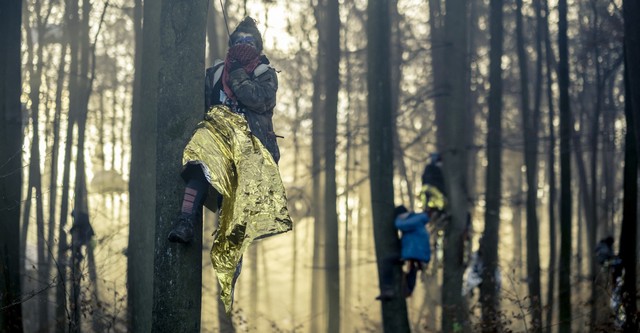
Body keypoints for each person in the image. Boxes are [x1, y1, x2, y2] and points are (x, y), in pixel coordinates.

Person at [166, 17, 291, 314]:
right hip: (217, 141)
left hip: (250, 149)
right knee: (200, 162)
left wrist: (237, 72)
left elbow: (257, 100)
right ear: (232, 44)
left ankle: (229, 270)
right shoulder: (214, 72)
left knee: (236, 214)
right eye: (239, 41)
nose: (244, 46)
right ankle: (185, 222)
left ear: (257, 47)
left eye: (250, 42)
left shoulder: (264, 74)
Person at [376, 205, 431, 300]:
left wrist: (398, 219)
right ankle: (407, 290)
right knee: (411, 270)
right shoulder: (415, 220)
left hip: (414, 253)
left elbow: (400, 225)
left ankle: (389, 289)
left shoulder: (414, 220)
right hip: (413, 253)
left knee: (387, 261)